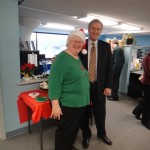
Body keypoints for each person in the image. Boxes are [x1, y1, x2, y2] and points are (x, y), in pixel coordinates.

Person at [48, 30, 90, 150]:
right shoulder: (62, 59)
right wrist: (55, 104)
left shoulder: (76, 57)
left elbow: (80, 74)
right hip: (69, 104)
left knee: (73, 130)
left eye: (80, 42)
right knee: (65, 132)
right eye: (75, 41)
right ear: (68, 42)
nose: (78, 44)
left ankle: (68, 146)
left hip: (79, 103)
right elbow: (54, 83)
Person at [79, 19, 113, 149]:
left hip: (100, 86)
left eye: (98, 29)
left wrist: (109, 86)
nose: (95, 31)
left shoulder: (105, 46)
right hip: (84, 86)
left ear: (101, 31)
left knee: (100, 112)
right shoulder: (81, 45)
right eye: (93, 28)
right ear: (88, 29)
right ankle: (86, 135)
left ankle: (101, 133)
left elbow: (109, 69)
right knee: (85, 112)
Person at [140, 52, 150, 129]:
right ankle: (145, 121)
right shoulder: (147, 58)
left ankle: (136, 112)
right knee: (148, 103)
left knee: (146, 101)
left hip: (147, 82)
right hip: (147, 83)